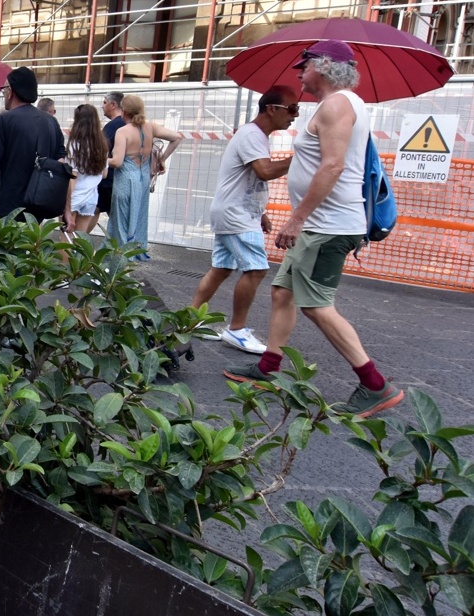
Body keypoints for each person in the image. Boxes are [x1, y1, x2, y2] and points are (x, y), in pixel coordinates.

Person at [224, 40, 404, 418]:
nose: (298, 73)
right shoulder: (337, 105)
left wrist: (297, 218)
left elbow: (333, 166)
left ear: (322, 66)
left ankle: (375, 384)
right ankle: (267, 368)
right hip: (322, 225)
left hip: (327, 225)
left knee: (317, 305)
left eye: (302, 66)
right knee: (282, 293)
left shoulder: (338, 104)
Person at [190, 85, 298, 354]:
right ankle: (236, 330)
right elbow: (264, 171)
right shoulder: (253, 135)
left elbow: (246, 177)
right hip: (236, 215)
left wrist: (260, 212)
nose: (295, 116)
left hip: (236, 212)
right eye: (292, 109)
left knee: (221, 269)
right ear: (271, 109)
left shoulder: (256, 135)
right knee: (256, 269)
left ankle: (188, 322)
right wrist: (300, 158)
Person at [0, 66, 66, 224]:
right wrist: (65, 208)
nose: (3, 93)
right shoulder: (51, 122)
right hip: (38, 208)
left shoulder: (4, 120)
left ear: (10, 91)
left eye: (4, 89)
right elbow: (61, 163)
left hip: (9, 210)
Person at [106, 94, 181, 261]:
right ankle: (133, 253)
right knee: (137, 217)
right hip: (142, 179)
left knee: (120, 223)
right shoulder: (150, 127)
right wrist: (161, 160)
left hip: (126, 180)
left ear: (124, 111)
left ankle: (118, 262)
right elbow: (177, 137)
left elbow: (117, 162)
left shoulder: (122, 131)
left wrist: (102, 161)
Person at [63, 104, 108, 236]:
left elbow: (73, 176)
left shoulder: (74, 144)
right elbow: (104, 174)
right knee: (81, 240)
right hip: (91, 196)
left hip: (75, 196)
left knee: (66, 238)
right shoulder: (102, 145)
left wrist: (67, 203)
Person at [97, 93, 126, 222]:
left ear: (113, 105)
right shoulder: (127, 124)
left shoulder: (113, 126)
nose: (102, 106)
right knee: (96, 209)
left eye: (104, 102)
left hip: (109, 179)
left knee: (113, 217)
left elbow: (101, 151)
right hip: (121, 178)